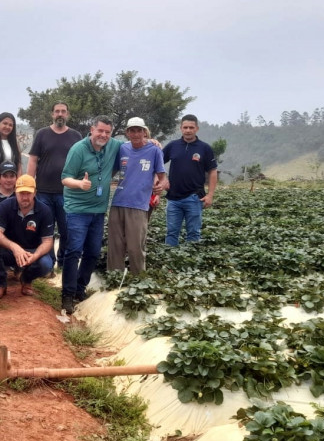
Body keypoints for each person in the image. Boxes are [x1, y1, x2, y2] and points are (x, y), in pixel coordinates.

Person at [60, 115, 122, 314]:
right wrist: (79, 184)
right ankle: (67, 295)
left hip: (98, 210)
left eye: (107, 132)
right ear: (92, 129)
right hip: (77, 209)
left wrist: (150, 139)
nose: (103, 135)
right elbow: (64, 178)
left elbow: (134, 145)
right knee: (74, 251)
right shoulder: (78, 149)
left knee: (93, 252)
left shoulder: (113, 146)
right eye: (100, 131)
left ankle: (80, 288)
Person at [107, 117, 167, 274]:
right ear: (127, 133)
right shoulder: (122, 149)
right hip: (118, 203)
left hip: (139, 205)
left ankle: (137, 282)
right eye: (132, 130)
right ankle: (113, 281)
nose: (135, 134)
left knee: (135, 247)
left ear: (144, 132)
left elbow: (162, 177)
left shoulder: (154, 150)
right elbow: (110, 172)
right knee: (115, 247)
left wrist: (160, 187)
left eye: (139, 130)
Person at [27, 101, 83, 269]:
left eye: (63, 111)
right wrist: (30, 185)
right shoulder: (42, 134)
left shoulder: (76, 136)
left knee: (66, 229)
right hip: (43, 191)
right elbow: (33, 159)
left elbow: (81, 160)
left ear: (67, 114)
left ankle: (63, 262)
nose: (60, 114)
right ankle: (49, 263)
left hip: (67, 193)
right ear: (52, 114)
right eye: (57, 111)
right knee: (46, 230)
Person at [0, 175, 54, 298]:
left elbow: (47, 241)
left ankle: (26, 279)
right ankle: (1, 284)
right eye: (21, 193)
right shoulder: (5, 206)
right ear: (15, 191)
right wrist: (15, 248)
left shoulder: (45, 211)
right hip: (9, 251)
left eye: (28, 193)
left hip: (31, 252)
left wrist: (35, 256)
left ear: (35, 193)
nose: (25, 197)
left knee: (46, 263)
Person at [162, 114, 218, 246]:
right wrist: (163, 178)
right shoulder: (172, 146)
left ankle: (191, 261)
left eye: (191, 127)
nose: (188, 130)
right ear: (180, 128)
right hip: (173, 198)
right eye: (185, 127)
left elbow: (212, 171)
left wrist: (210, 195)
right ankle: (171, 262)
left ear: (196, 129)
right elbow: (157, 162)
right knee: (171, 233)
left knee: (193, 233)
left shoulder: (205, 148)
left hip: (194, 198)